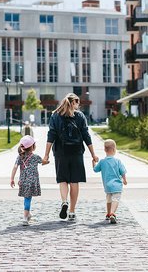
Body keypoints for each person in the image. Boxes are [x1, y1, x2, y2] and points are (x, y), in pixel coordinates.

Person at [42, 93, 98, 222]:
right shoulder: (80, 116)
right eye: (78, 103)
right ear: (74, 103)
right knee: (74, 182)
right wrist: (93, 154)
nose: (78, 106)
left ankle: (64, 201)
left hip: (61, 152)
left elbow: (51, 136)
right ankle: (72, 211)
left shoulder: (55, 116)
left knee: (62, 180)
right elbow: (86, 136)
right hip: (76, 152)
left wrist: (46, 154)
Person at [10, 135, 48, 226]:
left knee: (26, 198)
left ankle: (28, 214)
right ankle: (25, 218)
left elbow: (15, 167)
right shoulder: (35, 157)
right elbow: (43, 162)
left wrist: (12, 179)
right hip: (32, 181)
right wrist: (47, 161)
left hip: (23, 181)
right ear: (33, 147)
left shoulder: (20, 157)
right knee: (28, 199)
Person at [92, 139, 127, 224]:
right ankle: (112, 213)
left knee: (108, 200)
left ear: (104, 150)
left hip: (107, 186)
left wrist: (93, 162)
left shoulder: (102, 162)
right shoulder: (117, 161)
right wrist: (125, 180)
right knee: (116, 199)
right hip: (117, 185)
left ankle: (108, 213)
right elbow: (122, 171)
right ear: (114, 149)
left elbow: (95, 170)